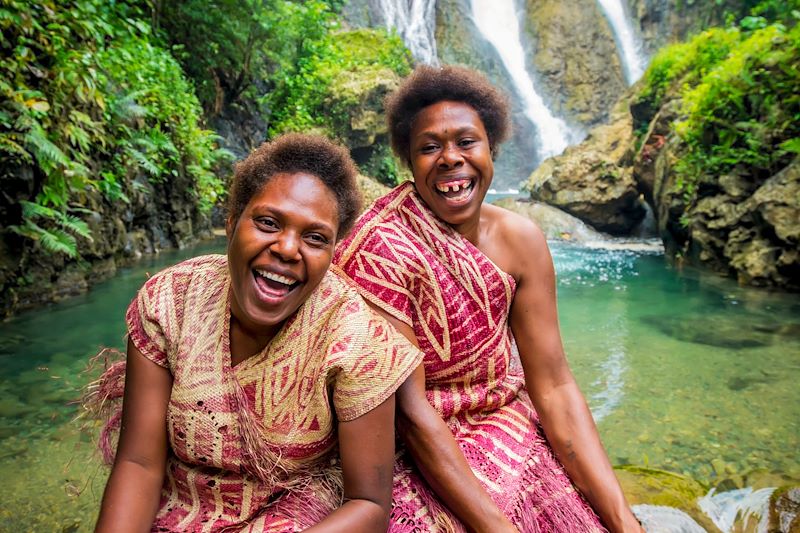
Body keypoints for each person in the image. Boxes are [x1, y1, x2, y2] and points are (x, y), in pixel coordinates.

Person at [333, 65, 644, 532]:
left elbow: (554, 384)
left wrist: (624, 520)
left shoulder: (521, 240)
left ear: (491, 148)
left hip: (505, 420)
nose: (450, 158)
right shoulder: (383, 249)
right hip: (412, 448)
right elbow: (410, 414)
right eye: (429, 147)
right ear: (410, 162)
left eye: (466, 142)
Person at [87, 133, 422, 532]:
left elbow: (367, 504)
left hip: (298, 509)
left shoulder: (357, 339)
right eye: (267, 223)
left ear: (333, 254)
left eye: (315, 238)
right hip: (185, 501)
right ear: (231, 225)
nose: (286, 248)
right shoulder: (171, 302)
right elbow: (139, 463)